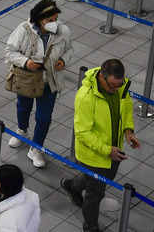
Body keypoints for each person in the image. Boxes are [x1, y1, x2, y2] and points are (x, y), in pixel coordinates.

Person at [60, 59, 141, 232]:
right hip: (93, 154)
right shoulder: (85, 96)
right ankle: (90, 226)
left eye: (119, 85)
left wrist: (128, 130)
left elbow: (126, 108)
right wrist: (106, 150)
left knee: (105, 179)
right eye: (112, 85)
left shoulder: (121, 86)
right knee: (96, 193)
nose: (116, 89)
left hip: (114, 149)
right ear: (101, 77)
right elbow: (82, 132)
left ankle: (71, 185)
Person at [5, 0, 73, 168]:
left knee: (44, 118)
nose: (54, 23)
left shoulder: (62, 31)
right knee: (23, 108)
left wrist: (64, 60)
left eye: (55, 19)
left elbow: (69, 49)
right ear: (39, 19)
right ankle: (22, 131)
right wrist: (26, 62)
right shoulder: (23, 30)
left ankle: (36, 148)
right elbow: (9, 52)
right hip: (27, 79)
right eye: (50, 20)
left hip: (50, 81)